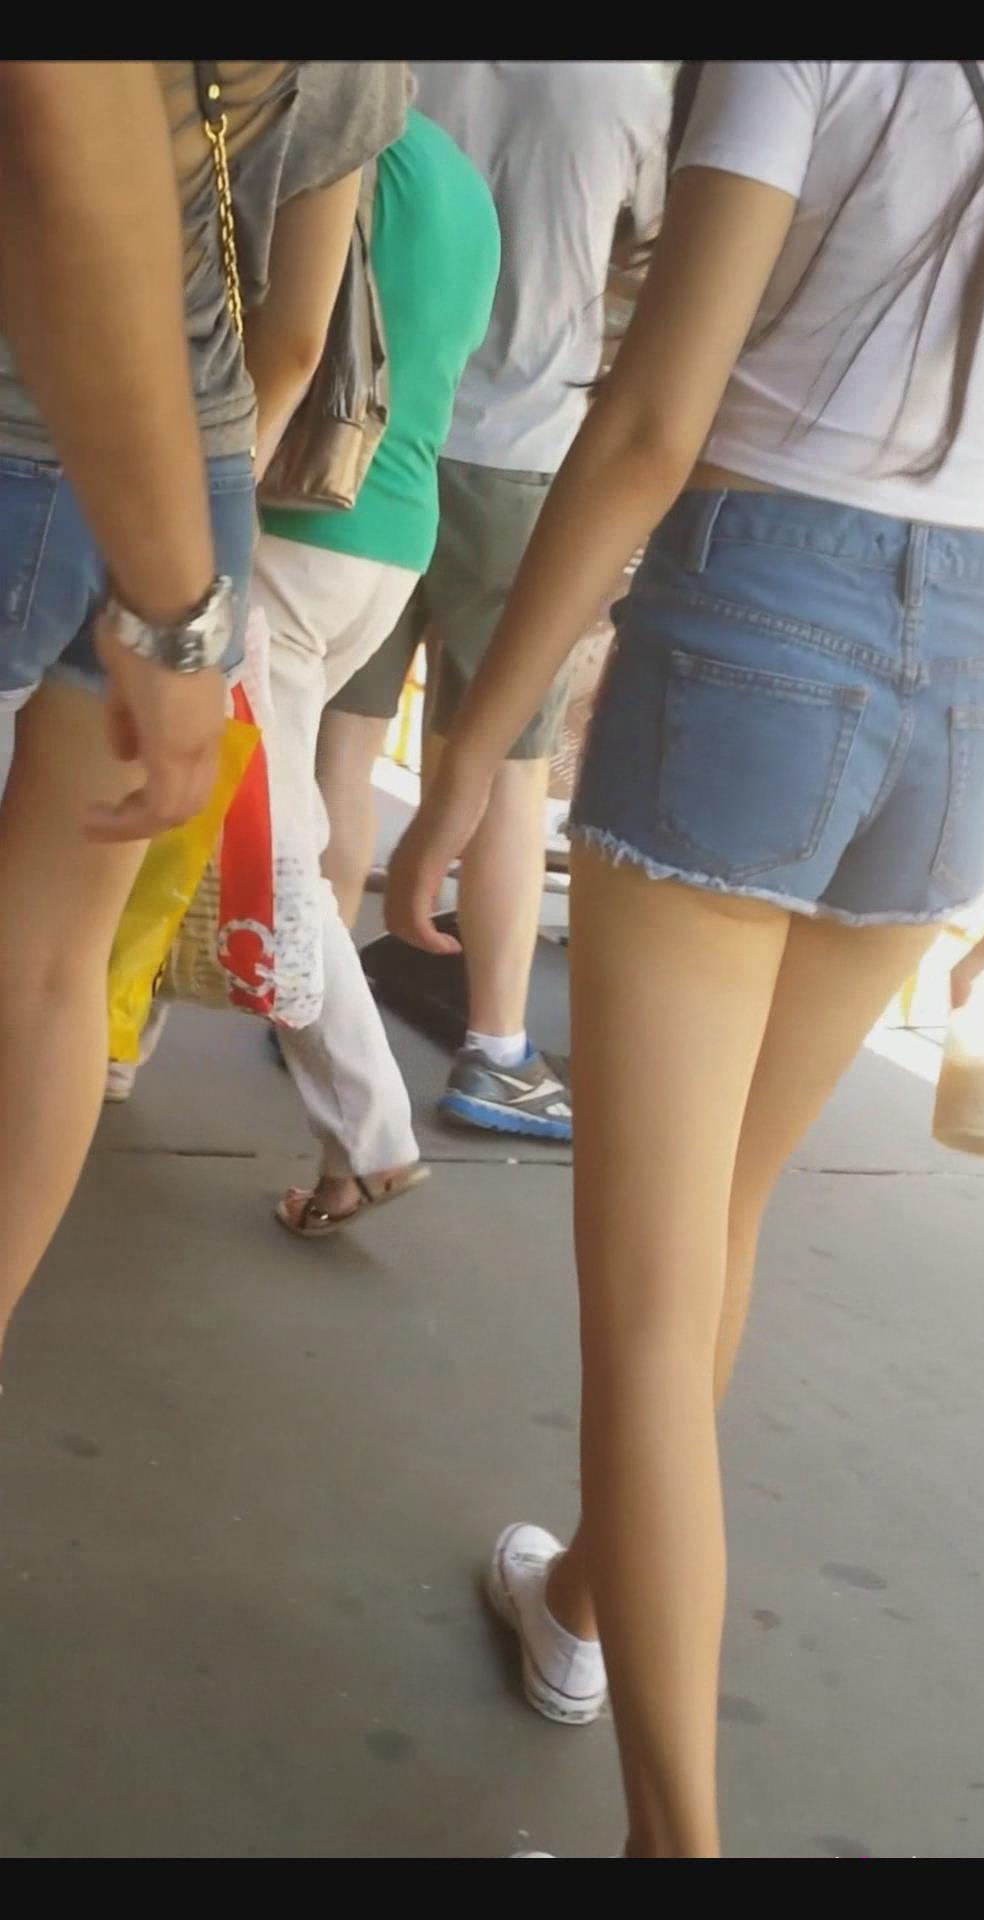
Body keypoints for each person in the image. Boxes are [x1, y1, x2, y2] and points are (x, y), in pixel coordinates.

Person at [387, 61, 984, 1857]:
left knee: (647, 1293)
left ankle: (672, 1843)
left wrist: (477, 743)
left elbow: (649, 424)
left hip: (758, 620)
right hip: (971, 674)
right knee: (722, 1218)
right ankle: (581, 1606)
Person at [0, 60, 405, 1355]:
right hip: (193, 468)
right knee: (54, 967)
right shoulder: (365, 64)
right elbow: (295, 338)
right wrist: (189, 545)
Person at [327, 61, 670, 1143]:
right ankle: (496, 1048)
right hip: (529, 462)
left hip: (373, 432)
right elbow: (664, 261)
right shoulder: (630, 85)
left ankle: (313, 1011)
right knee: (511, 771)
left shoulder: (408, 58)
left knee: (339, 742)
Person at [250, 103, 501, 1235]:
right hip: (393, 533)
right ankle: (115, 1042)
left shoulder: (325, 139)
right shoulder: (462, 184)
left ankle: (372, 1133)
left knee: (273, 847)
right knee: (240, 809)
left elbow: (293, 346)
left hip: (293, 521)